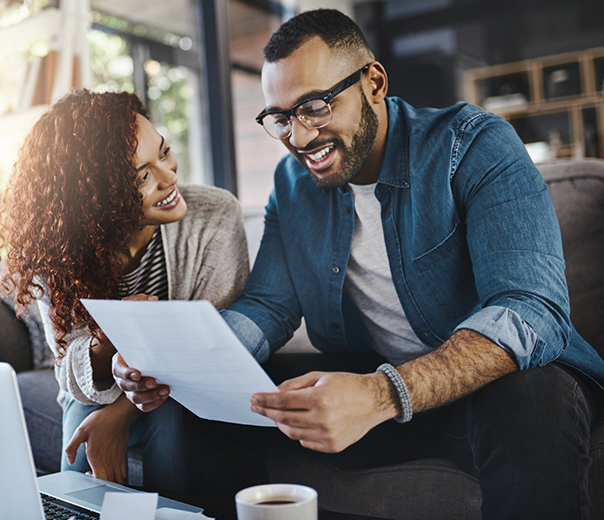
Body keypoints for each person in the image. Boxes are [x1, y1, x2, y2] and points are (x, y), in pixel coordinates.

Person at [113, 9, 604, 519]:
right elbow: (269, 305)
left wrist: (383, 393)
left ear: (373, 83)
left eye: (316, 106)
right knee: (188, 409)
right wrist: (182, 364)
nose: (299, 138)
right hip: (378, 391)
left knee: (531, 396)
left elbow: (531, 308)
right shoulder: (292, 183)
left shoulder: (474, 145)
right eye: (280, 117)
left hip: (485, 394)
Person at [0, 89, 249, 492]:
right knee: (81, 409)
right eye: (143, 176)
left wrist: (116, 419)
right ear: (96, 198)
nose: (170, 179)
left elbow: (211, 349)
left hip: (186, 393)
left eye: (164, 153)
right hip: (97, 393)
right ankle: (73, 508)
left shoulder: (215, 217)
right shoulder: (57, 251)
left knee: (165, 412)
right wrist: (103, 342)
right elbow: (70, 376)